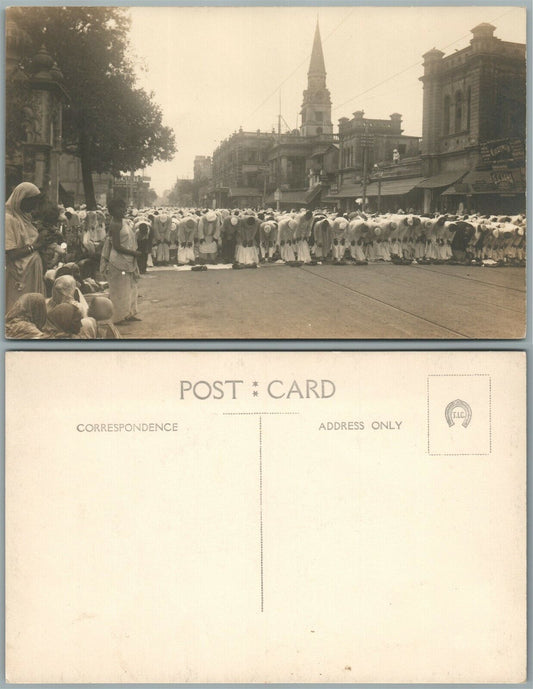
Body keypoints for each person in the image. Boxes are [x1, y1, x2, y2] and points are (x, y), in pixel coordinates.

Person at [5, 182, 46, 310]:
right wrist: (36, 246)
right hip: (18, 277)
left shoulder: (25, 218)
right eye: (32, 202)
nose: (35, 206)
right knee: (17, 312)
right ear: (21, 199)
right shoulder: (8, 219)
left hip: (30, 274)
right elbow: (10, 253)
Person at [105, 198, 141, 325]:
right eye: (120, 208)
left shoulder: (124, 222)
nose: (123, 210)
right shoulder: (115, 224)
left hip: (128, 261)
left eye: (124, 207)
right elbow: (116, 246)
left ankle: (129, 313)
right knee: (119, 289)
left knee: (131, 288)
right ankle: (118, 317)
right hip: (118, 262)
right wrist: (133, 253)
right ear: (113, 210)